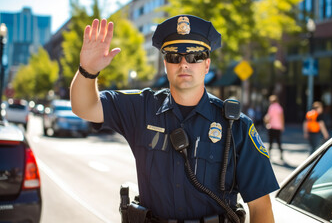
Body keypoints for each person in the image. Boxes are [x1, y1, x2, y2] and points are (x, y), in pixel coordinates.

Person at [70, 15, 279, 223]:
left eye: (194, 56)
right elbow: (85, 107)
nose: (184, 63)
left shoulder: (236, 126)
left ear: (206, 65)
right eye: (174, 57)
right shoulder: (141, 108)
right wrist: (88, 71)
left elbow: (260, 207)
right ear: (165, 64)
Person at [263, 95, 285, 160]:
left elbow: (268, 117)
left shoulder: (271, 107)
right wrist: (282, 126)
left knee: (270, 142)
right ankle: (281, 155)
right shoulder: (279, 107)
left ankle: (269, 155)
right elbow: (282, 117)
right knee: (279, 142)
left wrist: (266, 123)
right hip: (278, 127)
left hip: (271, 127)